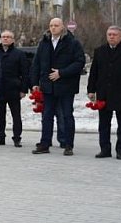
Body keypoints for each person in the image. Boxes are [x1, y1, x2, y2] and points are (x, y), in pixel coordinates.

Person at [30, 18, 86, 156]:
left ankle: (68, 145)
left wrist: (61, 73)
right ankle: (44, 144)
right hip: (48, 86)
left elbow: (79, 62)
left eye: (56, 25)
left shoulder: (72, 43)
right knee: (47, 115)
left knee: (67, 115)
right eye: (51, 25)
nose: (53, 28)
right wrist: (35, 83)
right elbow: (36, 63)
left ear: (62, 27)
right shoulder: (44, 42)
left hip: (66, 86)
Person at [86, 25, 121, 159]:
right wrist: (91, 90)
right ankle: (105, 149)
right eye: (109, 34)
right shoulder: (100, 51)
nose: (112, 37)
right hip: (104, 93)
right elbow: (94, 72)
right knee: (103, 124)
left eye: (114, 34)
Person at [0, 30, 29, 147]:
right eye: (3, 37)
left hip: (14, 89)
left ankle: (17, 138)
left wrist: (23, 89)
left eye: (8, 37)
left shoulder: (19, 54)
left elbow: (25, 73)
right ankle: (0, 137)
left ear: (13, 39)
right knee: (0, 115)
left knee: (16, 115)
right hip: (0, 89)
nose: (6, 39)